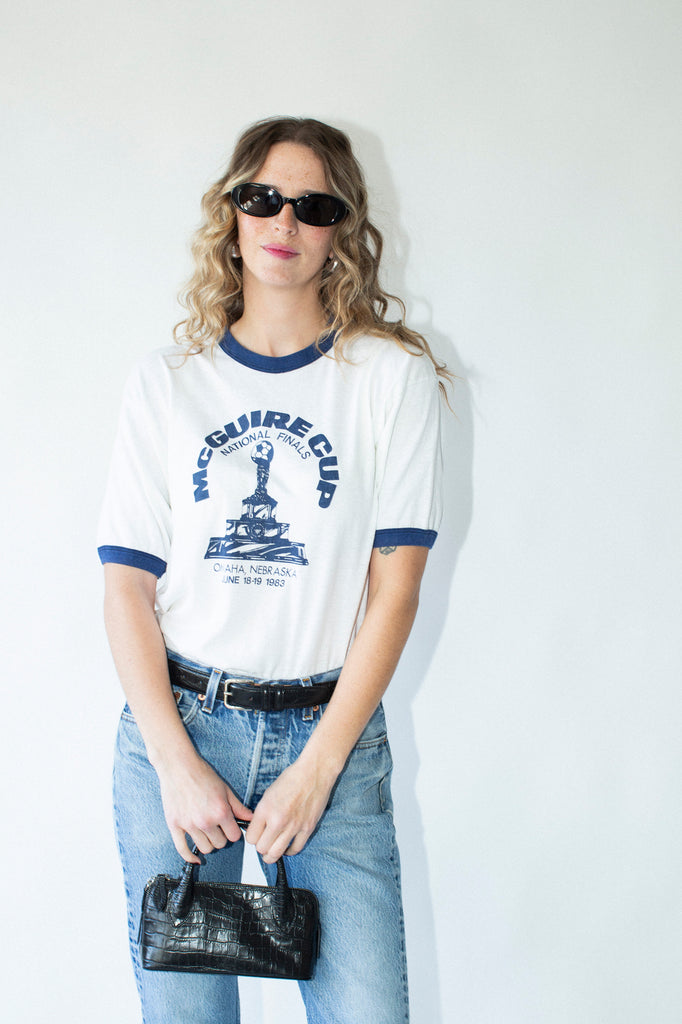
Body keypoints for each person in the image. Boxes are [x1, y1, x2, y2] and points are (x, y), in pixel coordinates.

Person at [98, 116, 448, 1024]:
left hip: (329, 735)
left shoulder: (389, 378)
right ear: (233, 214)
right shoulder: (169, 381)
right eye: (263, 199)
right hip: (181, 732)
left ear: (343, 230)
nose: (284, 222)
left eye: (314, 205)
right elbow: (127, 586)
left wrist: (321, 765)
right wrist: (175, 762)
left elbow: (395, 590)